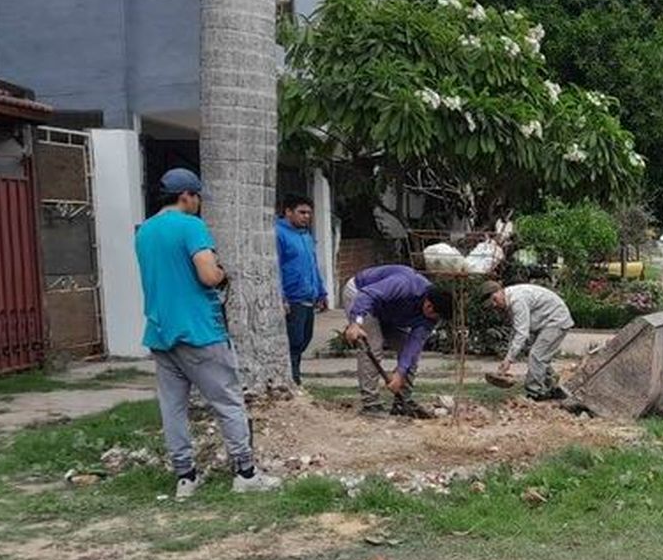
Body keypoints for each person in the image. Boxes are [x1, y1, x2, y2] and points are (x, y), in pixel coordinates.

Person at [135, 168, 280, 498]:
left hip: (160, 332)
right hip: (199, 329)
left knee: (173, 408)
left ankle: (185, 477)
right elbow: (208, 275)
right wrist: (221, 272)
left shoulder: (144, 231)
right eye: (197, 196)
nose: (198, 202)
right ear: (185, 195)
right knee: (228, 401)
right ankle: (245, 473)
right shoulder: (191, 226)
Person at [340, 264, 454, 414]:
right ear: (429, 306)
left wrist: (400, 373)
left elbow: (413, 344)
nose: (434, 321)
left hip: (387, 309)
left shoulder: (430, 317)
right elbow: (367, 295)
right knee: (373, 346)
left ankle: (402, 401)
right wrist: (356, 323)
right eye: (436, 317)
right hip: (361, 294)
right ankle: (371, 403)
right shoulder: (405, 284)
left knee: (411, 353)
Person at [487, 282, 574, 401]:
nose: (495, 304)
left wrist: (509, 359)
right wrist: (508, 356)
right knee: (540, 356)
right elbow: (516, 330)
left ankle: (535, 392)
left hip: (556, 320)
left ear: (500, 291)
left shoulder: (517, 300)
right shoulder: (510, 299)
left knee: (536, 355)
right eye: (492, 304)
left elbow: (522, 333)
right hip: (546, 322)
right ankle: (552, 386)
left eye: (495, 299)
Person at [274, 194, 327, 384]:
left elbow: (313, 265)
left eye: (309, 213)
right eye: (301, 212)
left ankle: (295, 377)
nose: (306, 217)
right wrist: (281, 298)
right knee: (294, 342)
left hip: (308, 297)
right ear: (288, 212)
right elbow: (275, 268)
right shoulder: (278, 234)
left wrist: (321, 292)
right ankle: (293, 380)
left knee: (305, 339)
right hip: (292, 298)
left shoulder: (306, 235)